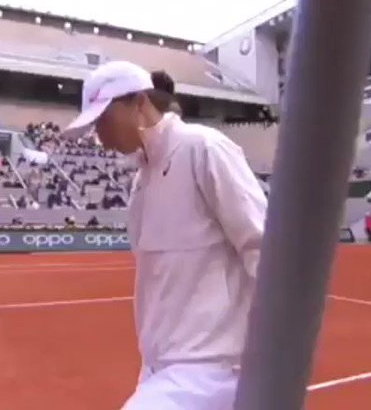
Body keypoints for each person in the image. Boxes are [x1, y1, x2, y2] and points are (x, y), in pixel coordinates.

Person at [59, 61, 266, 409]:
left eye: (103, 121)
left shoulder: (204, 148)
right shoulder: (142, 181)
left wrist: (277, 354)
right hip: (159, 366)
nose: (101, 138)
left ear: (139, 103)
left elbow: (263, 246)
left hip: (211, 368)